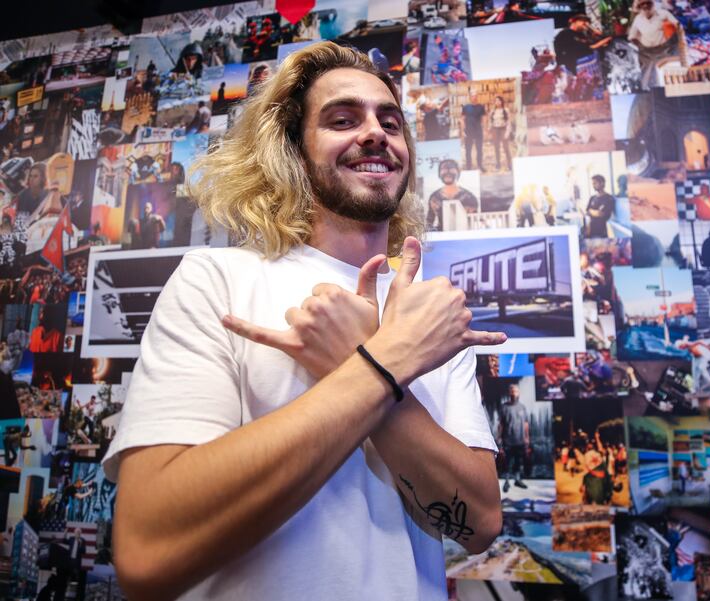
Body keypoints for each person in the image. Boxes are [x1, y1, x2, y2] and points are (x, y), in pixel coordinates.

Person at [105, 42, 505, 601]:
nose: (375, 134)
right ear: (293, 149)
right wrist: (381, 364)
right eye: (343, 119)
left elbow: (480, 522)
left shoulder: (424, 319)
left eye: (390, 122)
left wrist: (378, 362)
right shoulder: (216, 279)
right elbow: (149, 551)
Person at [627, 0, 680, 89]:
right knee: (647, 78)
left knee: (668, 75)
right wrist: (640, 47)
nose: (645, 6)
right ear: (640, 8)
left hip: (664, 50)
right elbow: (631, 36)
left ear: (653, 4)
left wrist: (673, 37)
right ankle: (648, 91)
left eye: (648, 3)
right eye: (642, 4)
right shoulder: (638, 19)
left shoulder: (663, 13)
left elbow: (677, 25)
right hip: (646, 53)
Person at [426, 159, 478, 231]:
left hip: (464, 235)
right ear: (439, 173)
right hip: (442, 237)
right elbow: (429, 221)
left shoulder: (469, 197)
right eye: (444, 169)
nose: (448, 172)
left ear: (458, 172)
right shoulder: (434, 198)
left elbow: (474, 221)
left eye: (451, 168)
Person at [498, 383, 529, 493]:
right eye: (511, 391)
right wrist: (499, 439)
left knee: (517, 461)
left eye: (515, 391)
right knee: (507, 462)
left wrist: (527, 439)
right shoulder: (504, 407)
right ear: (509, 393)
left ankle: (517, 480)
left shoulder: (522, 407)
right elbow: (501, 424)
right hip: (508, 440)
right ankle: (506, 482)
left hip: (520, 440)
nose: (513, 393)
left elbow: (525, 424)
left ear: (518, 393)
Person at [461, 91, 485, 171]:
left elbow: (484, 119)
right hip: (468, 131)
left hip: (478, 131)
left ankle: (480, 165)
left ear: (477, 97)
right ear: (470, 97)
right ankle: (469, 166)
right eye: (472, 96)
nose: (474, 97)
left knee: (479, 149)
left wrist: (484, 129)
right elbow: (462, 119)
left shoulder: (481, 107)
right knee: (468, 150)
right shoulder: (466, 107)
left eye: (475, 96)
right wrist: (462, 131)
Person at [488, 96, 512, 171]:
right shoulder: (493, 111)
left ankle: (509, 164)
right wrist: (489, 129)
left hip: (503, 129)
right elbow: (490, 121)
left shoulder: (506, 110)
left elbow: (508, 122)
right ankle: (498, 164)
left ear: (502, 102)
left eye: (499, 101)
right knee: (496, 147)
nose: (497, 102)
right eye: (496, 101)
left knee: (506, 147)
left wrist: (507, 132)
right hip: (495, 129)